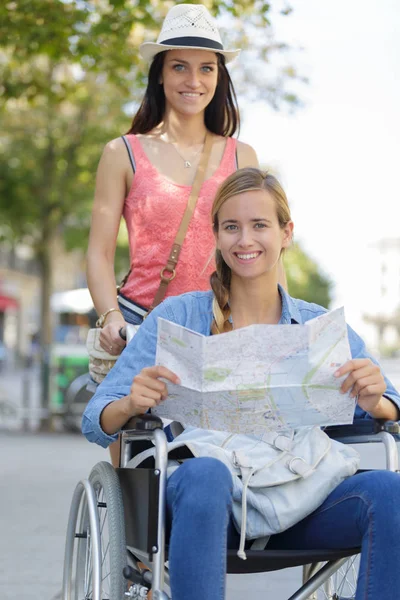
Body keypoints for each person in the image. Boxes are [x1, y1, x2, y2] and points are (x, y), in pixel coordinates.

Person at [83, 167, 400, 600]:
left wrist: (377, 399)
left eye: (259, 225)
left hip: (296, 498)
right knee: (208, 473)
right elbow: (94, 416)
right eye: (231, 227)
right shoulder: (179, 318)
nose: (245, 240)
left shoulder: (314, 326)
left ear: (286, 233)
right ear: (216, 235)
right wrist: (131, 403)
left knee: (389, 491)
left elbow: (391, 406)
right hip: (203, 499)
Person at [86, 3, 262, 465]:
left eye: (207, 68)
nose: (193, 80)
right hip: (142, 328)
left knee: (228, 461)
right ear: (160, 75)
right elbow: (99, 254)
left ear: (219, 78)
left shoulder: (241, 156)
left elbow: (257, 252)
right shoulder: (122, 152)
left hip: (218, 328)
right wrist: (109, 318)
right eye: (179, 66)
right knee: (144, 471)